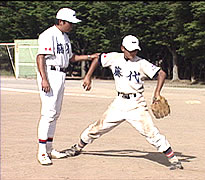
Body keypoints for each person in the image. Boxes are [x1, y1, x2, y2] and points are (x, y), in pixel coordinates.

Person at [63, 35, 183, 170]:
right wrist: (88, 76)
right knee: (98, 127)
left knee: (151, 132)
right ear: (122, 48)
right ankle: (77, 148)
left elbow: (161, 73)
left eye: (135, 50)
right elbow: (97, 58)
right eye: (130, 50)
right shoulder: (114, 58)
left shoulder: (141, 63)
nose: (133, 53)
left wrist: (156, 93)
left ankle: (174, 160)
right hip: (119, 103)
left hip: (136, 104)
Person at [36, 7, 99, 166]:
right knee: (48, 113)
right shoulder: (48, 34)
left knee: (55, 113)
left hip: (61, 74)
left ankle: (49, 148)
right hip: (50, 73)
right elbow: (40, 57)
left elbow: (71, 58)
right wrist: (44, 79)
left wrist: (90, 57)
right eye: (69, 23)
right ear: (61, 21)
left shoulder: (64, 37)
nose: (71, 26)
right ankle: (42, 150)